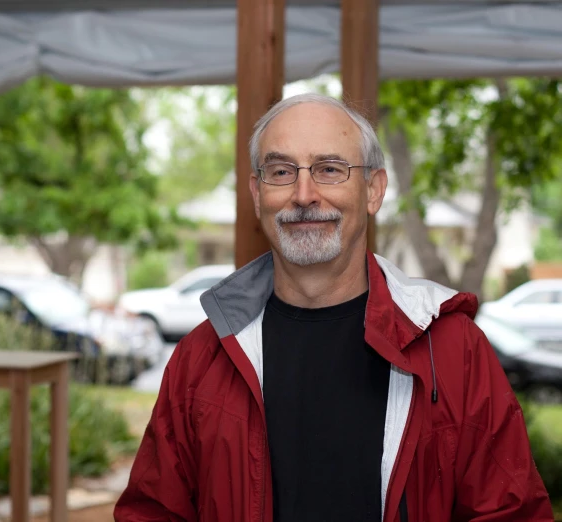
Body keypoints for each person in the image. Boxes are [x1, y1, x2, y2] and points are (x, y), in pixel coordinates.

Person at [113, 93, 553, 522]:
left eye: (329, 169)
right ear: (256, 192)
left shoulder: (453, 352)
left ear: (374, 190)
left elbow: (511, 511)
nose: (304, 194)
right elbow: (153, 511)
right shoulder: (202, 358)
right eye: (281, 171)